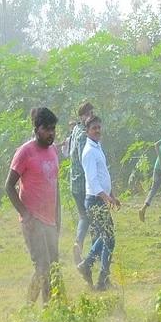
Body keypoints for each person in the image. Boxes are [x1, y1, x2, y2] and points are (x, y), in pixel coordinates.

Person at [7, 108, 61, 304]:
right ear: (37, 129)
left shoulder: (53, 151)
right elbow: (8, 186)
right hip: (33, 220)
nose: (51, 133)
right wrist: (25, 214)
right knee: (42, 267)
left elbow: (55, 185)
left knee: (54, 268)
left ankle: (49, 312)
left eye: (54, 129)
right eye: (47, 129)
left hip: (50, 220)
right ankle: (28, 310)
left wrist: (57, 219)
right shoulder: (25, 152)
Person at [76, 116, 121, 291]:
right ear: (87, 131)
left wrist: (112, 195)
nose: (97, 130)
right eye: (94, 128)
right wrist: (106, 198)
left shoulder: (97, 147)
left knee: (106, 237)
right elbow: (93, 181)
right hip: (95, 201)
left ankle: (91, 268)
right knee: (109, 238)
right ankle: (99, 275)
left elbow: (104, 176)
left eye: (99, 127)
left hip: (100, 199)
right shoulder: (88, 151)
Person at [68, 102, 94, 265]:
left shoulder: (75, 130)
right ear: (84, 115)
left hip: (74, 182)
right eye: (89, 114)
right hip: (83, 183)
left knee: (84, 216)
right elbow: (86, 160)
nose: (91, 116)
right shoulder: (84, 134)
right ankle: (81, 244)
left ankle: (81, 245)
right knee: (88, 217)